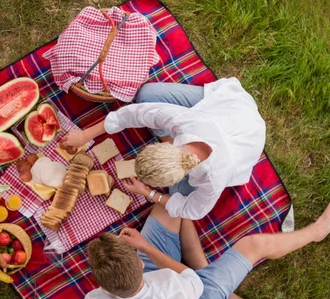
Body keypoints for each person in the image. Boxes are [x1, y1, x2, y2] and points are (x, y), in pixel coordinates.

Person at [78, 194, 330, 299]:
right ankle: (317, 231)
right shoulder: (169, 287)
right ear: (138, 263)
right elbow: (190, 280)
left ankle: (221, 287)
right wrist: (145, 246)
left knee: (173, 206)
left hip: (160, 289)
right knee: (254, 245)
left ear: (101, 284)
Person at [61, 78, 266, 220]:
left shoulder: (213, 180)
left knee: (178, 196)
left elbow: (192, 210)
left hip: (245, 138)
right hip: (225, 111)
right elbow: (134, 113)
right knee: (146, 94)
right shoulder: (183, 119)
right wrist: (85, 135)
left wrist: (149, 193)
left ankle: (170, 180)